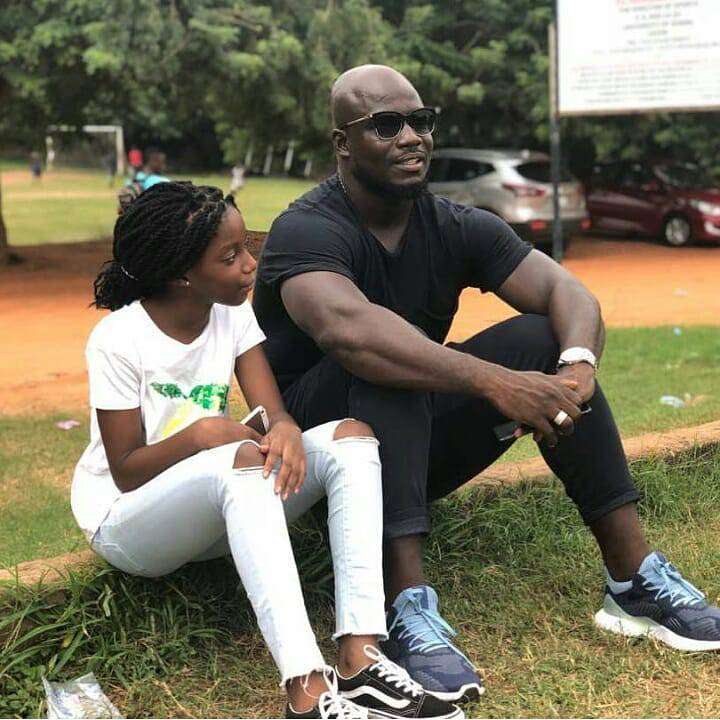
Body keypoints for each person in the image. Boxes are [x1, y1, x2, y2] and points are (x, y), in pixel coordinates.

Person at [252, 64, 720, 703]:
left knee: (543, 337)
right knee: (388, 361)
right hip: (313, 462)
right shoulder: (307, 228)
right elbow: (348, 332)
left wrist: (576, 368)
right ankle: (403, 606)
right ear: (343, 143)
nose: (411, 137)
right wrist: (496, 383)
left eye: (420, 121)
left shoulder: (453, 223)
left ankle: (633, 580)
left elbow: (565, 291)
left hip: (411, 446)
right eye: (386, 125)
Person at [72, 180, 463, 720]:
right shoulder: (118, 339)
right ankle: (306, 690)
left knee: (350, 439)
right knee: (241, 461)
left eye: (246, 248)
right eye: (230, 256)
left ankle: (360, 658)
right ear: (182, 273)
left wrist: (284, 430)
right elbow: (126, 472)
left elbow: (272, 413)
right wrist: (201, 435)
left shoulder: (231, 312)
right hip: (127, 521)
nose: (250, 265)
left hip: (223, 500)